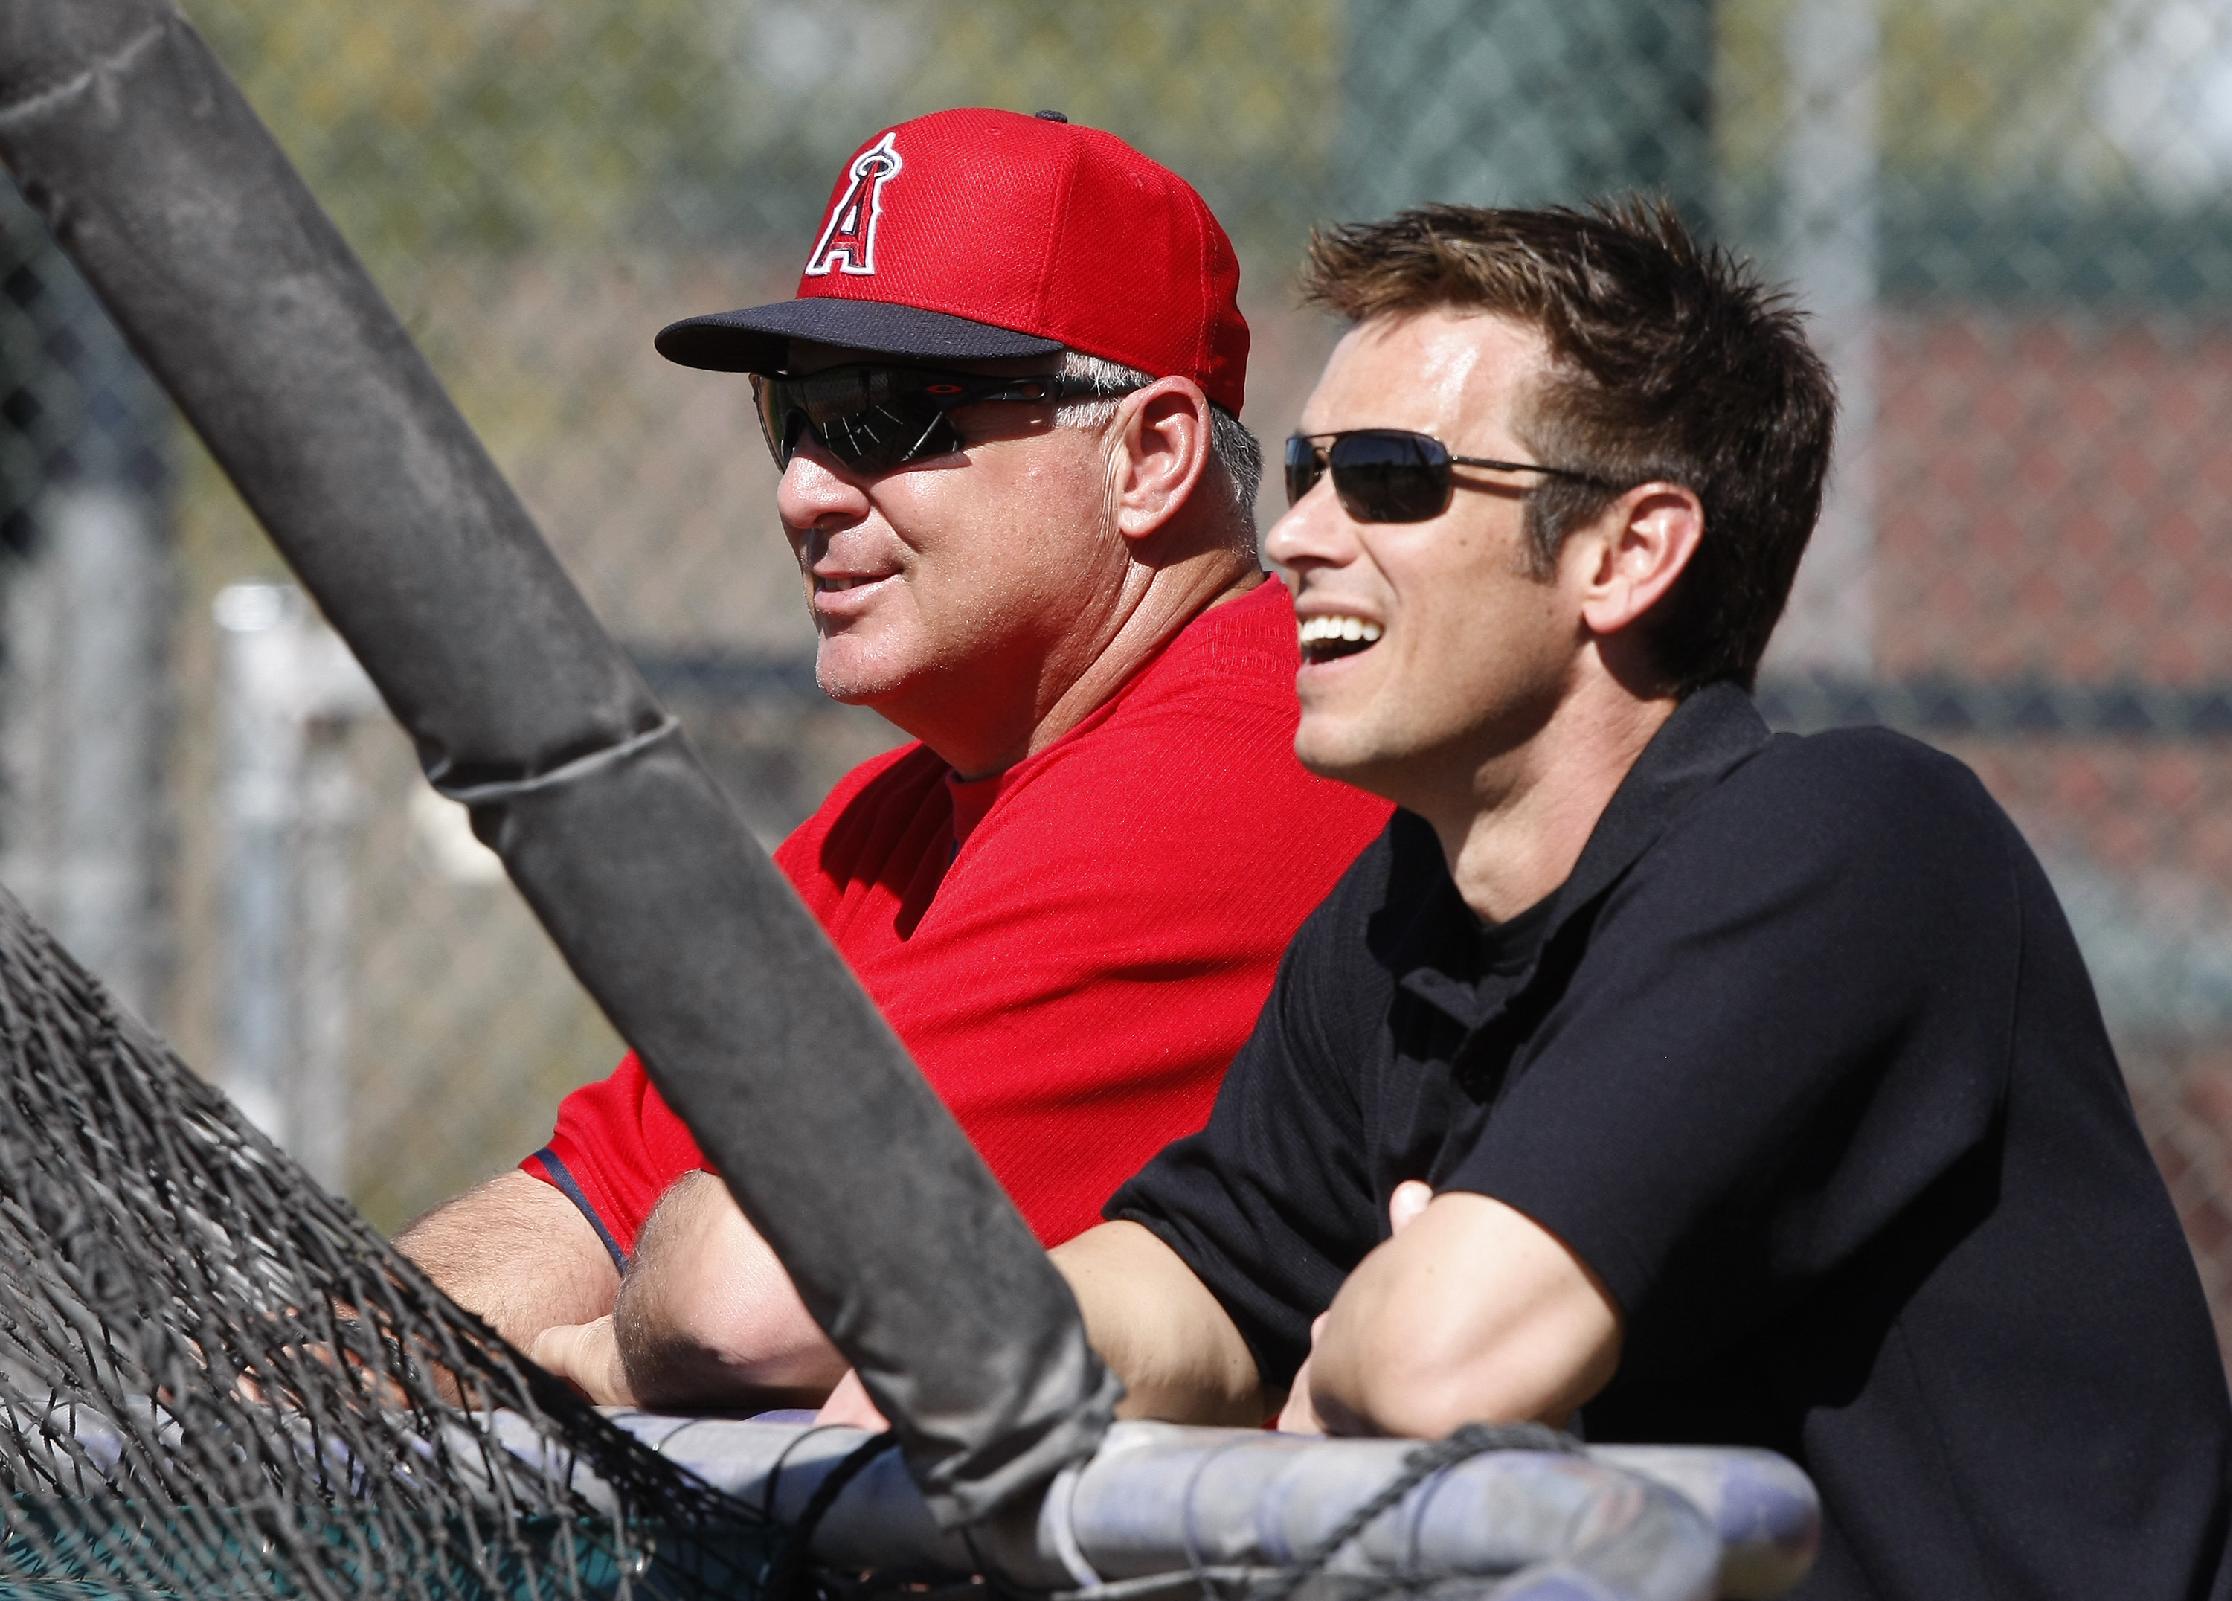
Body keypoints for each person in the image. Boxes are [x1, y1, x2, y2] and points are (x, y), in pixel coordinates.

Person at [830, 199, 2232, 1598]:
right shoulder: (1395, 913)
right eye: (1308, 470)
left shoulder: (1854, 842)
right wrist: (943, 1367)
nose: (1303, 533)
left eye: (1388, 478)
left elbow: (1452, 1356)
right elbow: (1188, 1286)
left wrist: (1364, 1343)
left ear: (1627, 553)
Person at [394, 107, 1389, 1406]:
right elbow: (588, 1195)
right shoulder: (897, 814)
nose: (803, 490)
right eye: (790, 413)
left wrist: (580, 1355)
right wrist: (308, 1387)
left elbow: (740, 1298)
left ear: (1149, 456)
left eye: (887, 416)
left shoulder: (1244, 759)